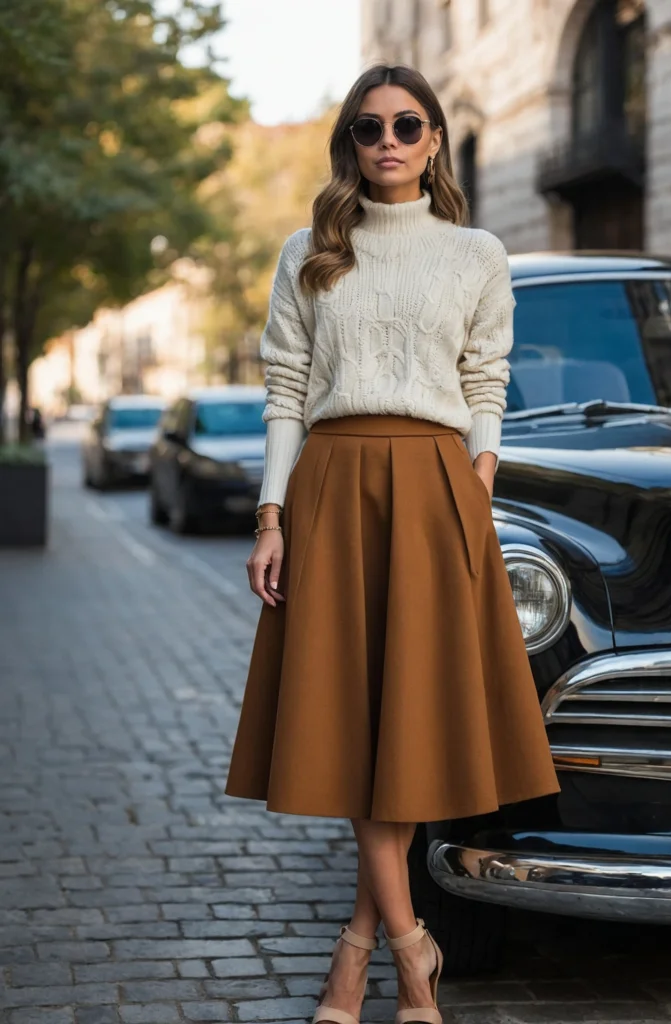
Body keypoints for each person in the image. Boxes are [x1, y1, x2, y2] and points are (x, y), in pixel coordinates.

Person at [225, 63, 560, 1024]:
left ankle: (363, 950)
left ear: (433, 140)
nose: (388, 142)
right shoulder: (310, 250)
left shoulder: (475, 252)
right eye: (368, 128)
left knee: (404, 721)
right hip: (330, 486)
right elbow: (285, 392)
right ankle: (414, 953)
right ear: (349, 143)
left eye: (406, 125)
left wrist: (477, 482)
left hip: (433, 489)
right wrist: (271, 517)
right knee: (348, 719)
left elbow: (484, 381)